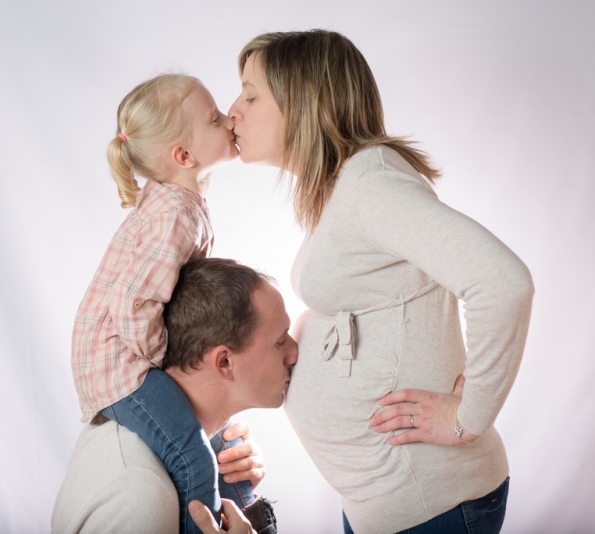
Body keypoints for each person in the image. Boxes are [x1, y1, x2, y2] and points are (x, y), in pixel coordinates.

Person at [228, 30, 535, 534]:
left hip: (432, 502)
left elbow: (503, 282)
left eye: (251, 94)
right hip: (391, 503)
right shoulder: (342, 187)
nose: (234, 110)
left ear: (305, 102)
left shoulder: (370, 184)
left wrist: (469, 417)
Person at [70, 73, 245, 533]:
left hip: (120, 357)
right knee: (194, 458)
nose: (229, 118)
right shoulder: (175, 214)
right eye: (214, 118)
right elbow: (134, 305)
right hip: (121, 365)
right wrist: (164, 361)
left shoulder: (177, 200)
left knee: (222, 444)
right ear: (184, 156)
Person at [54, 257, 295, 533]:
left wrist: (246, 502)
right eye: (280, 341)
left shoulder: (208, 450)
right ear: (224, 362)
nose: (295, 352)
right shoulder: (142, 498)